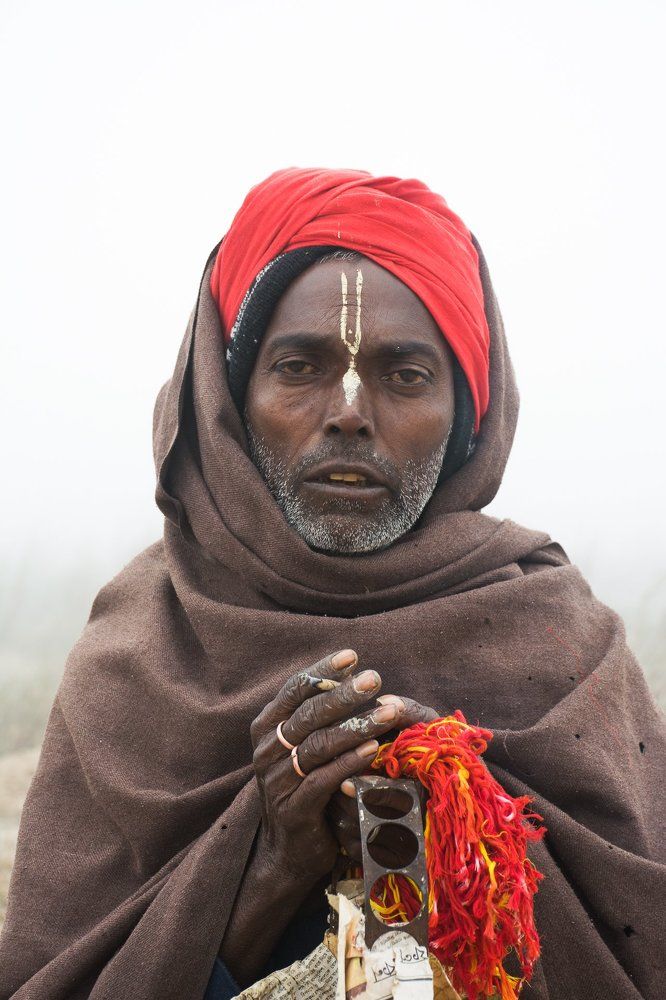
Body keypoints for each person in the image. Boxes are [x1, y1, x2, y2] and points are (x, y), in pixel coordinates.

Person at [0, 168, 663, 1000]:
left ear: (469, 416)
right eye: (300, 366)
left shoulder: (566, 648)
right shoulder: (138, 656)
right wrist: (274, 862)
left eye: (407, 376)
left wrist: (464, 809)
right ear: (229, 401)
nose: (349, 410)